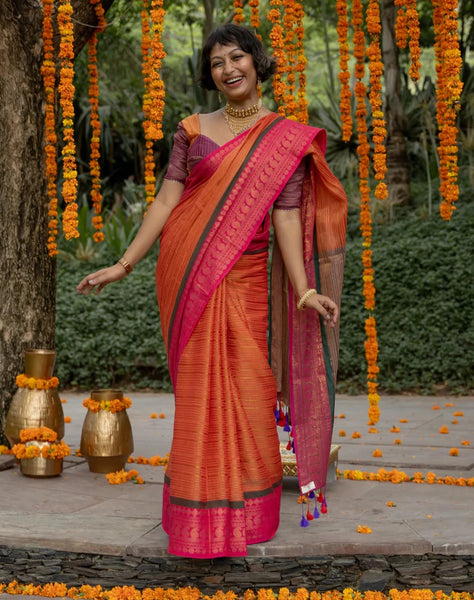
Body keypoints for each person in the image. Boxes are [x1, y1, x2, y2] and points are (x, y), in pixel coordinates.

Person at [77, 24, 347, 559]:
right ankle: (199, 515)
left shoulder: (283, 138)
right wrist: (124, 263)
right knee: (202, 392)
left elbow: (287, 216)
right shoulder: (191, 129)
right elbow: (164, 202)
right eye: (218, 61)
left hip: (246, 275)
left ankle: (249, 511)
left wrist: (302, 289)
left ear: (257, 61)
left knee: (250, 386)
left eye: (237, 57)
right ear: (210, 74)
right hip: (191, 268)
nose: (229, 68)